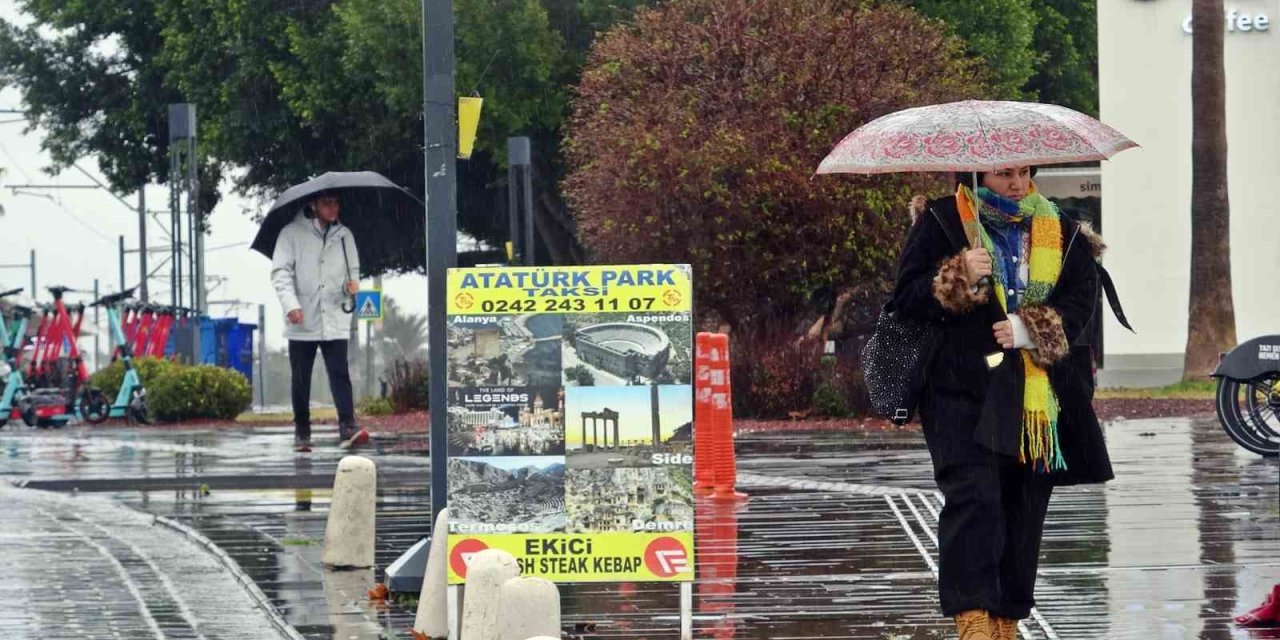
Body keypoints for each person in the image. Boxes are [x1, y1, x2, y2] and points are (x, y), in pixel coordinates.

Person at [891, 166, 1113, 640]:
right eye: (1002, 174)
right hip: (956, 387)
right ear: (975, 173)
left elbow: (1080, 299)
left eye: (1022, 172)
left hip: (1034, 391)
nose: (1015, 182)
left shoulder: (1060, 228)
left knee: (1023, 503)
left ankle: (1006, 619)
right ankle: (971, 617)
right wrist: (955, 275)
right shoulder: (942, 219)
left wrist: (1031, 328)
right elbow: (905, 298)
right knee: (973, 498)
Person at [271, 191, 369, 452]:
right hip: (303, 317)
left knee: (340, 373)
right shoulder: (291, 234)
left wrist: (352, 286)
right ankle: (302, 430)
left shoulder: (345, 235)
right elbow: (281, 273)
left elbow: (354, 270)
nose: (333, 207)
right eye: (327, 202)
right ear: (313, 205)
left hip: (336, 315)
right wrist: (291, 305)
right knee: (301, 377)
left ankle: (348, 425)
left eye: (336, 202)